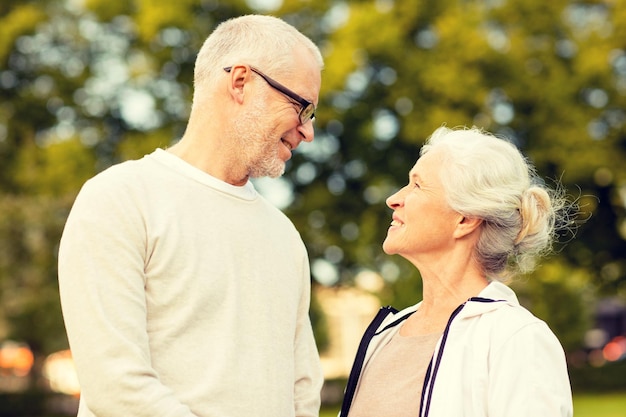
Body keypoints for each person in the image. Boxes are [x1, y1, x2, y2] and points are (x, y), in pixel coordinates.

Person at [58, 14, 324, 417]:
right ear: (240, 82)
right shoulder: (119, 199)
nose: (307, 131)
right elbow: (116, 386)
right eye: (300, 106)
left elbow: (302, 392)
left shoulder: (284, 236)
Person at [340, 126, 575, 417]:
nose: (394, 199)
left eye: (417, 185)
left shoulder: (516, 339)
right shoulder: (383, 335)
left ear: (465, 219)